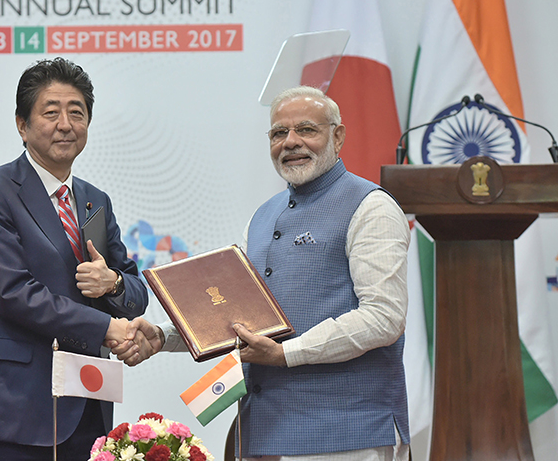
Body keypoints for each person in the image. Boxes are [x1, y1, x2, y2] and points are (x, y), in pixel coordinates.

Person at [111, 86, 411, 460]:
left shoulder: (372, 207)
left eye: (306, 129)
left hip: (347, 434)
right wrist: (163, 335)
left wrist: (287, 353)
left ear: (338, 135)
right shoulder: (262, 216)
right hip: (262, 433)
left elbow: (384, 317)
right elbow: (238, 319)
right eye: (279, 133)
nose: (291, 142)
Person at [0, 57, 149, 461]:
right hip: (16, 407)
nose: (65, 124)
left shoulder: (93, 200)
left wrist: (112, 283)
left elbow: (135, 292)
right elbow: (13, 292)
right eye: (51, 112)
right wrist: (107, 328)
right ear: (22, 124)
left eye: (76, 113)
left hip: (87, 403)